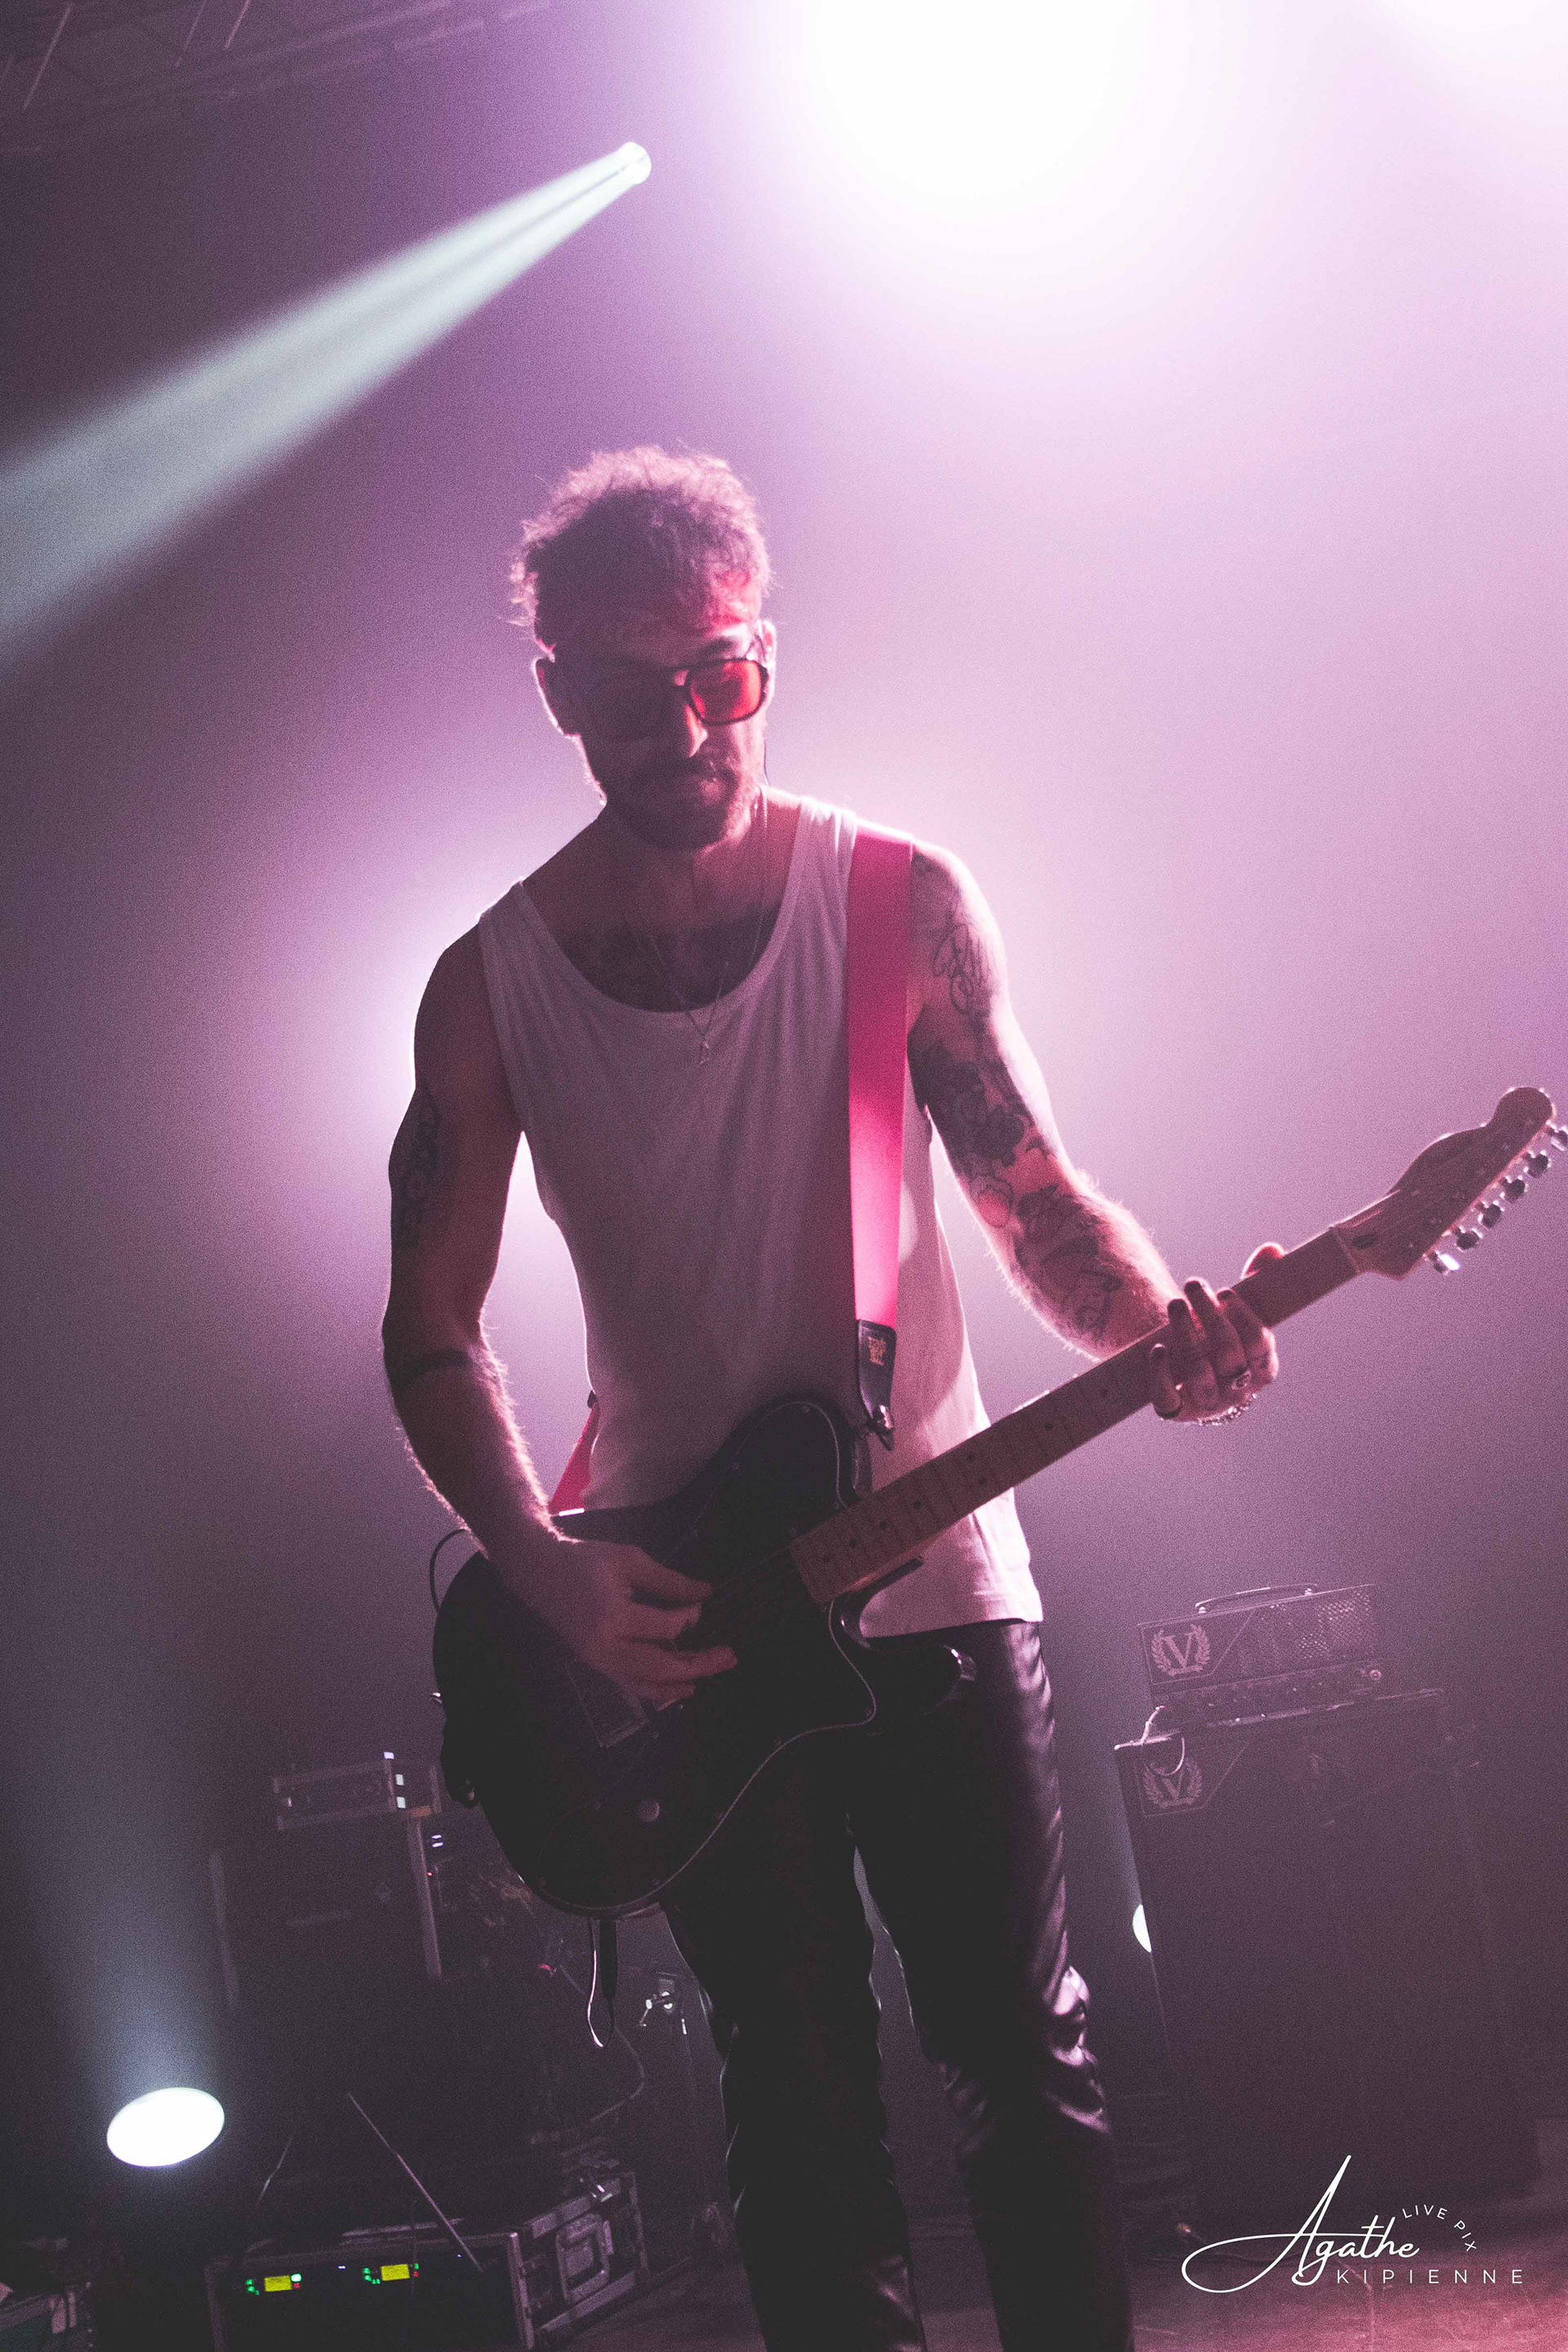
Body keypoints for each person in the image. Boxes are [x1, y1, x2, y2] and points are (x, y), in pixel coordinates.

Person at [381, 448, 1281, 2352]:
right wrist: (542, 1566)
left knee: (1022, 2066)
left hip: (940, 1581)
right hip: (684, 1618)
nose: (690, 726)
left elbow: (1034, 1202)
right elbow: (432, 1333)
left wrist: (1160, 1331)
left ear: (764, 657)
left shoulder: (899, 903)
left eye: (721, 673)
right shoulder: (489, 987)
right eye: (635, 690)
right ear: (558, 693)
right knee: (794, 2106)